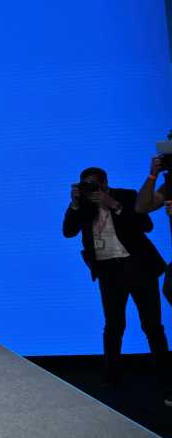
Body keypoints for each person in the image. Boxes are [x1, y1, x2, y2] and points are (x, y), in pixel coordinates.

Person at [63, 167, 170, 402]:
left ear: (105, 183)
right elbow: (68, 232)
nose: (89, 187)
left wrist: (114, 204)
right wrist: (74, 204)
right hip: (109, 272)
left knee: (152, 325)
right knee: (113, 326)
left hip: (139, 269)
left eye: (93, 183)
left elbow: (146, 226)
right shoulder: (83, 205)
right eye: (85, 183)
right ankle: (111, 376)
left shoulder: (127, 195)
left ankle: (165, 375)